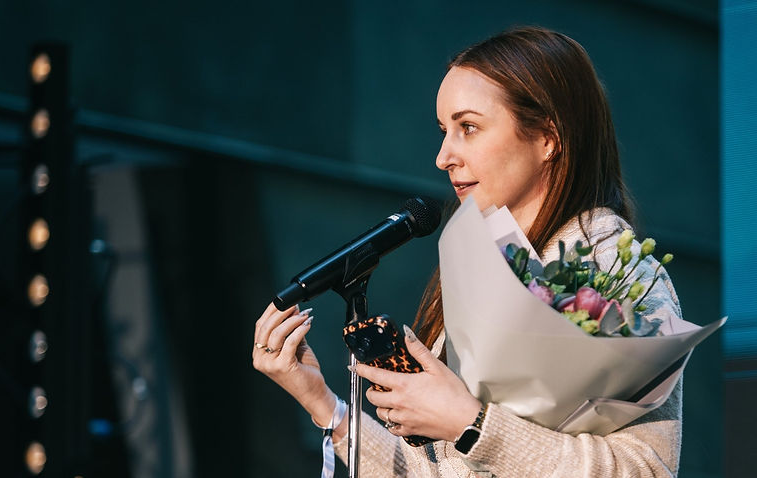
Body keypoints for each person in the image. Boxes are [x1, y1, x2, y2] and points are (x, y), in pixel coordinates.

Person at [253, 26, 684, 477]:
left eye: (468, 128)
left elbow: (646, 469)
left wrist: (471, 423)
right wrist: (322, 403)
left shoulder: (614, 270)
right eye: (444, 131)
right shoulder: (480, 266)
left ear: (548, 139)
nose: (444, 156)